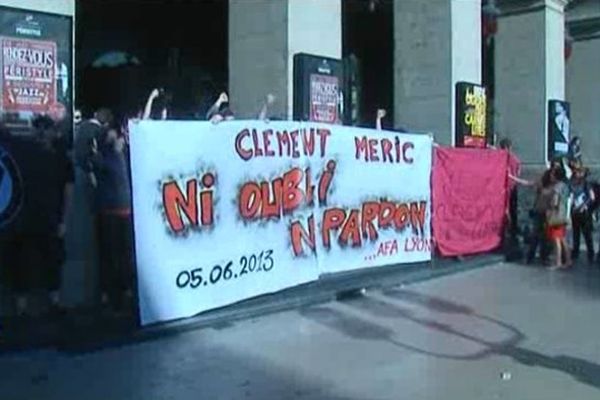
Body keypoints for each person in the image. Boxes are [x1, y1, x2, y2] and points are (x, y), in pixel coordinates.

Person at [1, 116, 74, 316]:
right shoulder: (23, 151)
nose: (41, 133)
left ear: (52, 132)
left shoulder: (59, 157)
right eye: (38, 129)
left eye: (45, 129)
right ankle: (21, 306)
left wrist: (63, 220)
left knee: (52, 258)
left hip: (48, 215)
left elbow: (68, 190)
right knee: (21, 259)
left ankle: (53, 302)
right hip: (24, 215)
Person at [89, 127, 135, 313]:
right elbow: (91, 164)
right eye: (117, 137)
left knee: (123, 255)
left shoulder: (124, 156)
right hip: (110, 214)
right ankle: (112, 295)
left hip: (124, 214)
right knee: (111, 256)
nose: (121, 139)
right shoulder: (105, 158)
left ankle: (124, 291)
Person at [546, 166, 572, 270]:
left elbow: (554, 202)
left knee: (556, 239)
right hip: (564, 214)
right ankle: (568, 260)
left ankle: (558, 262)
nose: (551, 176)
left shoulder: (557, 187)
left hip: (556, 216)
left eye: (552, 174)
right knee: (563, 239)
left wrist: (549, 208)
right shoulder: (565, 186)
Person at [569, 163, 595, 264]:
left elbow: (592, 197)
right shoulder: (571, 182)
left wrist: (585, 205)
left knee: (587, 233)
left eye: (579, 172)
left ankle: (590, 253)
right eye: (576, 172)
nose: (576, 173)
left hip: (584, 212)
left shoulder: (586, 183)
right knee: (576, 233)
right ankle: (575, 251)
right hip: (574, 210)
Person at [526, 170, 552, 265]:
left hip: (545, 212)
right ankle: (535, 256)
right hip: (541, 212)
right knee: (537, 235)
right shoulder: (545, 186)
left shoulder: (552, 186)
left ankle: (541, 256)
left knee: (542, 236)